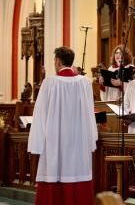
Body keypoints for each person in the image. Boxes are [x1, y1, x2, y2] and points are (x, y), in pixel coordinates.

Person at [28, 46, 98, 205]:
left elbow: (40, 114)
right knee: (76, 171)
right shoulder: (85, 83)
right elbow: (89, 113)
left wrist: (38, 143)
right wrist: (91, 138)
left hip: (55, 139)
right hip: (78, 140)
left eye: (54, 61)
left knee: (54, 170)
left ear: (58, 62)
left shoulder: (49, 82)